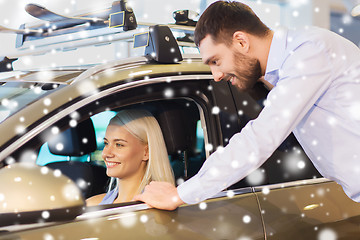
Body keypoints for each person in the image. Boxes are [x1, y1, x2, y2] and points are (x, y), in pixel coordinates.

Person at [134, 0, 360, 210]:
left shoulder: (309, 51)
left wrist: (179, 195)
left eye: (215, 61)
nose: (216, 75)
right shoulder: (289, 65)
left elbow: (260, 137)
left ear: (241, 41)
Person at [86, 109, 174, 205]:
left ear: (146, 152)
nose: (106, 153)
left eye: (119, 145)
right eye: (106, 143)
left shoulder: (156, 209)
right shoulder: (91, 205)